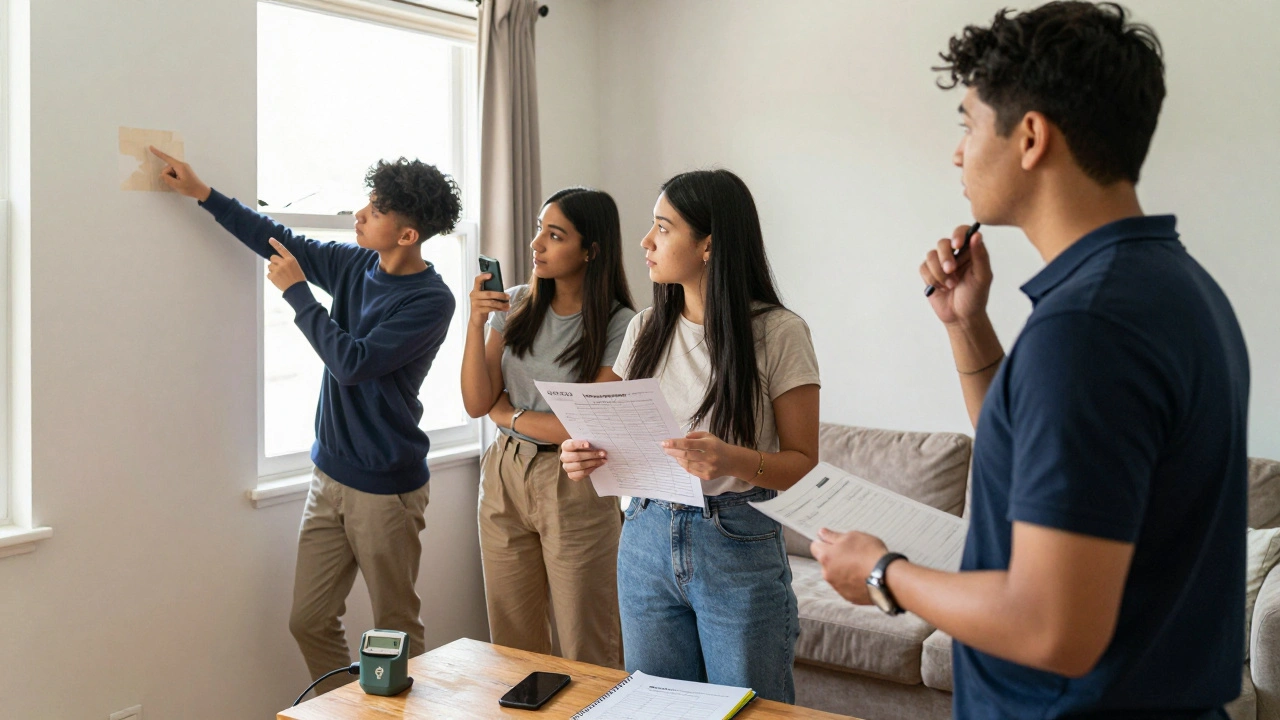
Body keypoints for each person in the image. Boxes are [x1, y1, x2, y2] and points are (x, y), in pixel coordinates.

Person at [808, 4, 1249, 718]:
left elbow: (1053, 628)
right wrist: (967, 327)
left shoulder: (1086, 328)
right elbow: (1044, 464)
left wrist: (883, 573)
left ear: (1032, 137)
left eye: (968, 123)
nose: (957, 151)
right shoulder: (1174, 286)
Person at [150, 148, 461, 694]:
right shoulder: (355, 265)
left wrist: (297, 293)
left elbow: (353, 364)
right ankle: (345, 710)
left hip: (386, 491)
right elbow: (277, 239)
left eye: (375, 210)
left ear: (407, 234)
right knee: (309, 620)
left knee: (396, 630)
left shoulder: (432, 301)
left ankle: (401, 712)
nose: (359, 216)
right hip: (330, 477)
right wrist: (203, 193)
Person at [559, 169, 820, 703]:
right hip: (644, 537)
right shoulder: (645, 328)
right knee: (657, 709)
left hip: (737, 541)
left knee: (753, 712)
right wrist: (582, 453)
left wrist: (733, 460)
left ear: (708, 245)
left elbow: (803, 462)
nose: (645, 242)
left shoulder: (778, 331)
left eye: (662, 227)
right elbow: (611, 430)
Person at [461, 187, 635, 667]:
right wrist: (475, 324)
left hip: (576, 479)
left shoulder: (623, 326)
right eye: (539, 229)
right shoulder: (514, 305)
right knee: (513, 646)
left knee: (587, 646)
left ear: (590, 250)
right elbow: (477, 401)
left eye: (554, 235)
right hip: (503, 475)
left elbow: (586, 425)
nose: (536, 243)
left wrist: (510, 415)